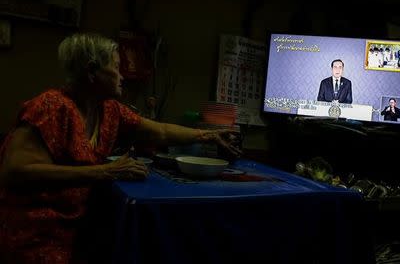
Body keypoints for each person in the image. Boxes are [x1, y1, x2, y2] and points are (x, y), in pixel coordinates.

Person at [0, 33, 241, 264]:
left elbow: (162, 131)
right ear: (92, 70)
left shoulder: (110, 110)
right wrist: (105, 171)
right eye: (115, 67)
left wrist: (209, 135)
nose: (122, 74)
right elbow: (16, 172)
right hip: (35, 229)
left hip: (75, 226)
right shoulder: (51, 106)